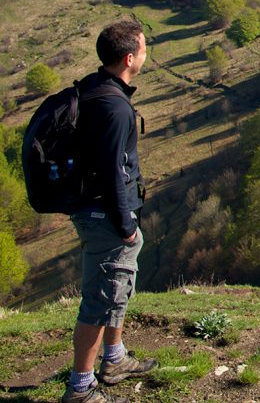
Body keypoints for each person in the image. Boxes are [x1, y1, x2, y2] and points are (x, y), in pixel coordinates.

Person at [62, 20, 157, 403]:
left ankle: (114, 359)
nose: (148, 53)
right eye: (145, 47)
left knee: (115, 287)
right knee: (100, 298)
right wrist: (124, 225)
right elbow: (111, 173)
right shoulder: (114, 107)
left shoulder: (96, 88)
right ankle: (81, 387)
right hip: (106, 216)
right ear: (130, 57)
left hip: (101, 212)